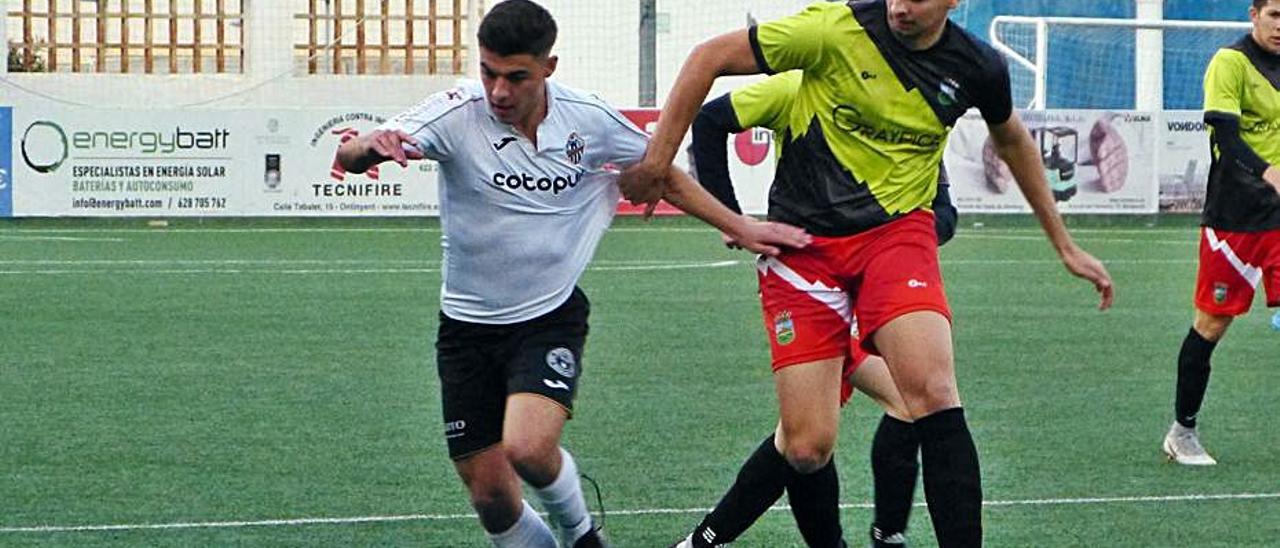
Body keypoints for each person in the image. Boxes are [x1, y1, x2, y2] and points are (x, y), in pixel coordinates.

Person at [622, 1, 1115, 546]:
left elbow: (1012, 138)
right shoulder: (833, 30)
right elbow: (707, 59)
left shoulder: (978, 66)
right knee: (807, 447)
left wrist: (1064, 243)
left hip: (895, 237)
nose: (900, 5)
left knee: (929, 390)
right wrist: (661, 167)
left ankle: (890, 531)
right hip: (805, 249)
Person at [336, 2, 810, 546]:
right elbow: (355, 151)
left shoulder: (587, 121)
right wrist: (367, 147)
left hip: (547, 317)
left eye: (516, 77)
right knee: (492, 500)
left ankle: (581, 535)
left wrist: (741, 226)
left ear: (548, 68)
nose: (498, 92)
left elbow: (664, 174)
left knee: (529, 449)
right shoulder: (455, 113)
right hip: (465, 330)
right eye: (488, 72)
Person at [685, 70, 960, 547]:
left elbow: (945, 214)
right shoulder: (800, 89)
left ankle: (887, 532)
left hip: (874, 295)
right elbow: (709, 122)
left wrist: (889, 251)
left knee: (857, 423)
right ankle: (704, 542)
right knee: (806, 442)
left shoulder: (911, 117)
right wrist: (732, 217)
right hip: (809, 284)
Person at [1162, 0, 1280, 466]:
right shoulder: (1230, 63)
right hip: (1235, 219)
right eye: (1276, 15)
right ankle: (1181, 431)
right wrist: (1269, 171)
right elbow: (1227, 139)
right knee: (1211, 325)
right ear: (1254, 14)